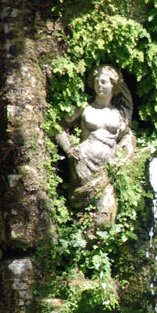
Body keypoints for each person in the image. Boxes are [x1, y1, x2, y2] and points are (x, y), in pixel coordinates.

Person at [56, 64, 134, 219]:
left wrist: (123, 151)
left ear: (113, 85)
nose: (100, 86)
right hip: (83, 164)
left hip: (107, 167)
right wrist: (69, 148)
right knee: (83, 211)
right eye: (97, 82)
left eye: (104, 82)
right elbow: (58, 127)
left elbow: (127, 135)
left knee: (106, 207)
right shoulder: (84, 109)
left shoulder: (119, 114)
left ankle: (101, 239)